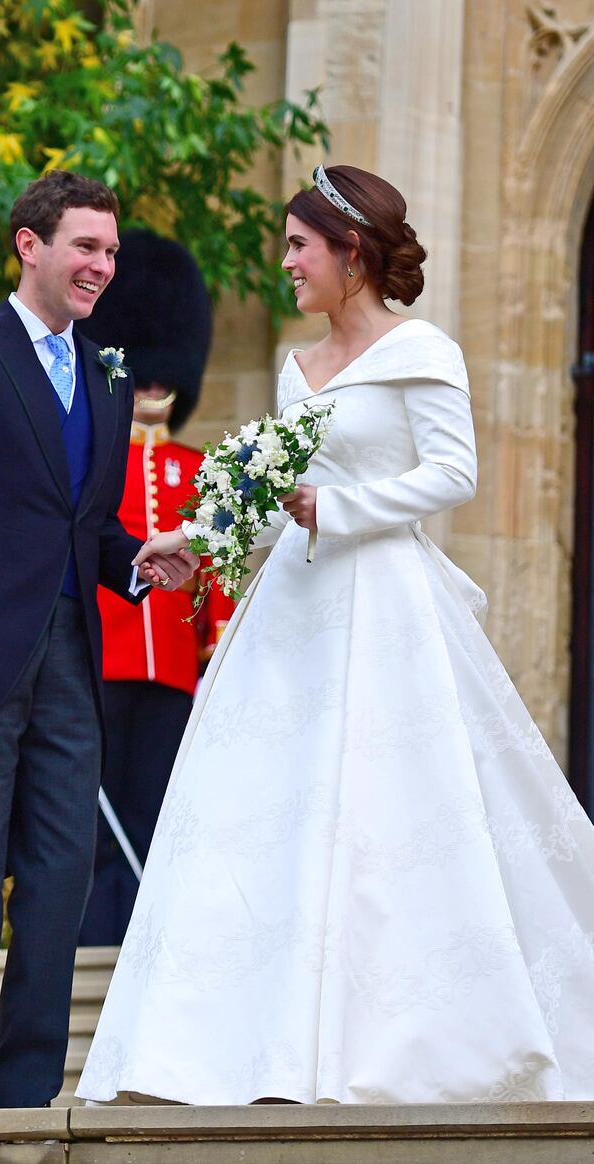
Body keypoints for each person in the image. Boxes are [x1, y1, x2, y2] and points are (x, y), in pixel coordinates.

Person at [76, 164, 594, 1106]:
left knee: (390, 818)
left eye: (298, 247)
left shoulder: (423, 352)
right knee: (267, 811)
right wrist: (196, 541)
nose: (286, 264)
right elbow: (276, 503)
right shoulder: (296, 369)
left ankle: (398, 1038)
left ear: (351, 253)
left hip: (388, 603)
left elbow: (454, 474)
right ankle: (247, 1048)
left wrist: (343, 506)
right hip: (296, 612)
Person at [0, 170, 197, 1110]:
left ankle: (25, 1085)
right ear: (30, 245)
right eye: (86, 247)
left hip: (71, 655)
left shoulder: (108, 372)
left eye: (111, 252)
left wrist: (145, 560)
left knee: (62, 867)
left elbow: (84, 527)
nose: (102, 266)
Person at [75, 230, 234, 946]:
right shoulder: (94, 458)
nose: (153, 388)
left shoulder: (198, 468)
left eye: (162, 378)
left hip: (172, 671)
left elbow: (217, 575)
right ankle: (90, 940)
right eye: (143, 376)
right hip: (102, 662)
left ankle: (143, 946)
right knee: (95, 818)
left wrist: (216, 659)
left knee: (155, 812)